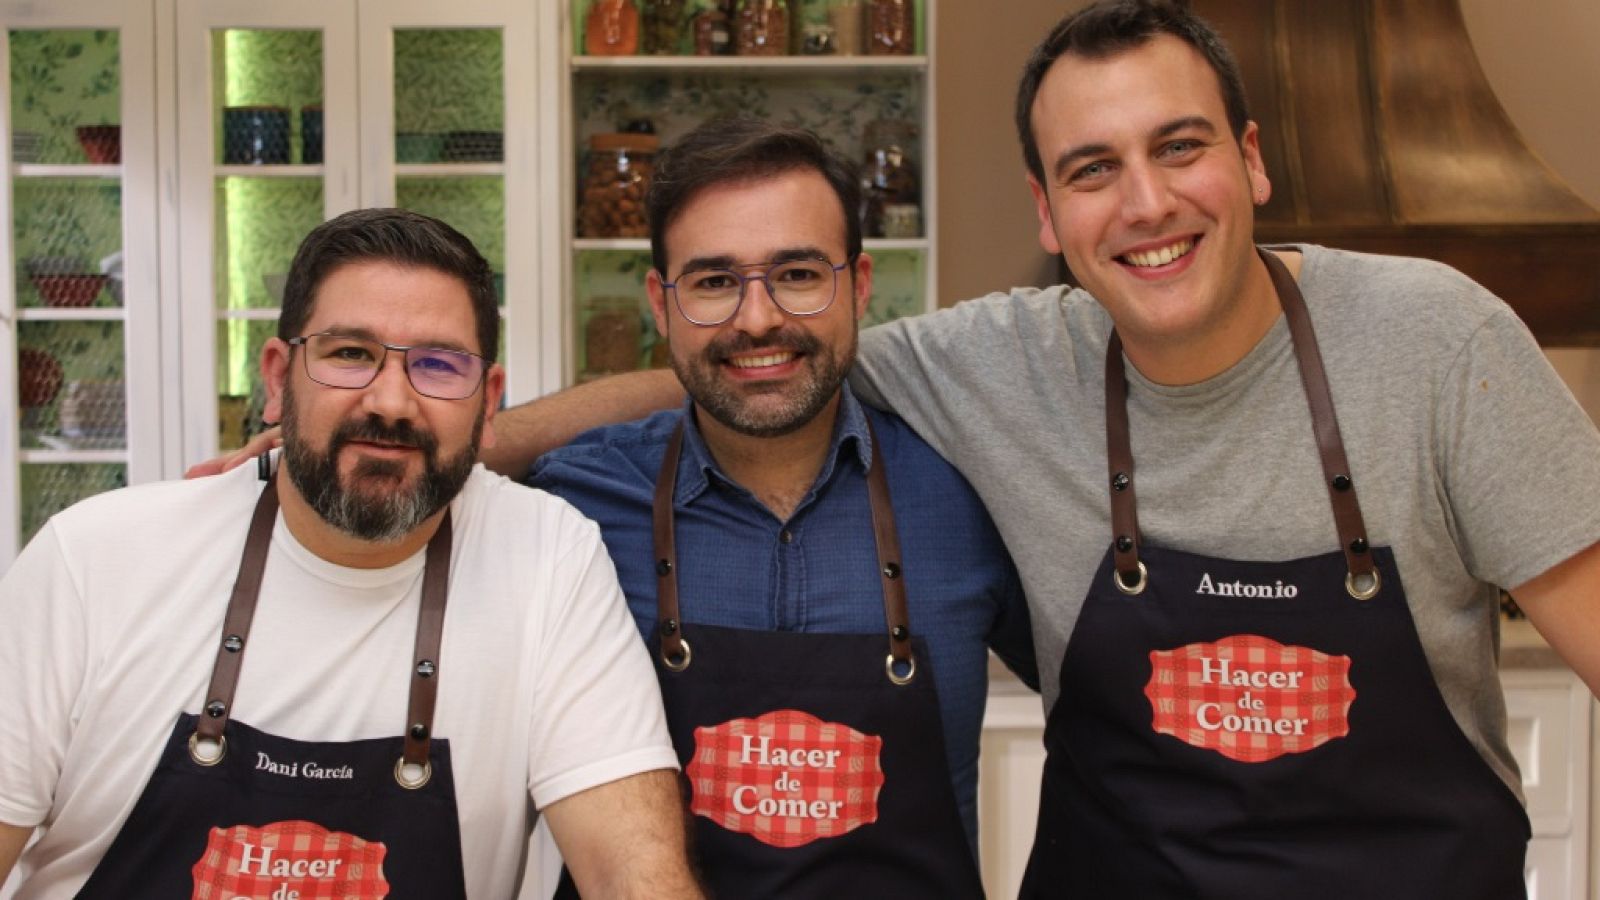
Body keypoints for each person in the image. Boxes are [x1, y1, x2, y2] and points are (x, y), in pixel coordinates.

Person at [190, 2, 1600, 894]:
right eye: (1094, 168)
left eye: (1181, 149)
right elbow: (705, 394)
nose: (1147, 204)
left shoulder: (1429, 342)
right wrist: (445, 433)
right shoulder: (577, 508)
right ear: (1048, 213)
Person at [0, 208, 700, 898]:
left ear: (488, 403)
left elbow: (631, 876)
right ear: (277, 379)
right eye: (349, 354)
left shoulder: (547, 558)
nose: (390, 401)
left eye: (437, 364)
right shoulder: (93, 560)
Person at [530, 118, 1034, 898]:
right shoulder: (571, 506)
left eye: (798, 274)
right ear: (660, 307)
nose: (757, 318)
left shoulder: (975, 493)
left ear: (859, 286)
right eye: (713, 281)